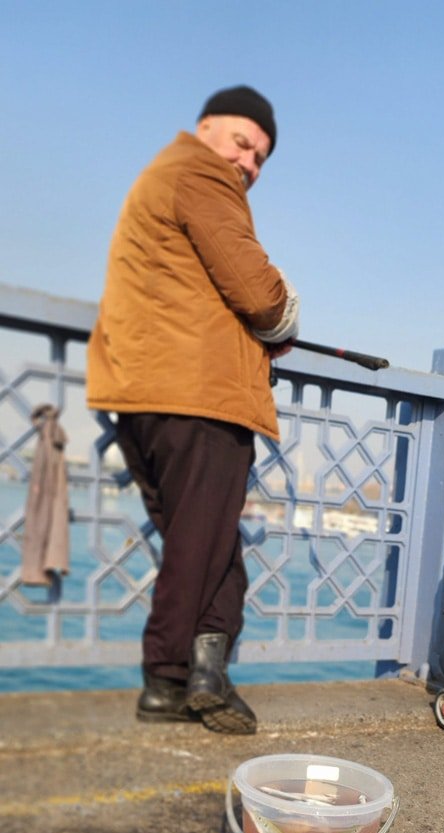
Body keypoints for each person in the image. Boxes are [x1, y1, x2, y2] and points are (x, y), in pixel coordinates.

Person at [86, 86, 299, 733]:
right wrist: (286, 310)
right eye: (242, 142)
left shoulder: (162, 176)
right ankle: (169, 678)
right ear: (206, 128)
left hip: (143, 389)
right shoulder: (201, 174)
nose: (248, 165)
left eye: (260, 158)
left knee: (203, 543)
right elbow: (258, 294)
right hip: (196, 394)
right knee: (199, 545)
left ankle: (206, 675)